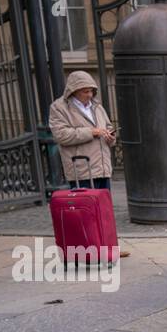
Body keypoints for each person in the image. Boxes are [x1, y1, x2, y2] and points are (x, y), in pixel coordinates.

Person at [49, 70, 128, 258]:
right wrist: (92, 132)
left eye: (91, 91)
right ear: (74, 91)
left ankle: (109, 248)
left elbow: (107, 128)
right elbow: (61, 135)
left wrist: (110, 135)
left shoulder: (96, 106)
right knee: (84, 213)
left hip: (102, 166)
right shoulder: (59, 108)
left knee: (105, 211)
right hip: (81, 168)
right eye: (85, 91)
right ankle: (88, 250)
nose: (89, 95)